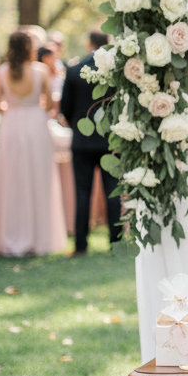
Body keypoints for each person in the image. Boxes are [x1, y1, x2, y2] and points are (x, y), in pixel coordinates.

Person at [0, 30, 67, 256]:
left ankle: (12, 237)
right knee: (38, 178)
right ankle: (39, 237)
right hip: (36, 125)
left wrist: (14, 106)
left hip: (11, 125)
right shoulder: (41, 71)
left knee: (12, 180)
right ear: (30, 48)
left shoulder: (1, 72)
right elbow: (49, 106)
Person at [60, 31, 121, 255]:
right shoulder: (115, 72)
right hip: (110, 142)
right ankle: (115, 243)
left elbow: (65, 107)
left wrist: (77, 126)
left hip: (81, 143)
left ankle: (80, 245)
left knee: (82, 193)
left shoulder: (74, 71)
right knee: (112, 192)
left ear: (88, 45)